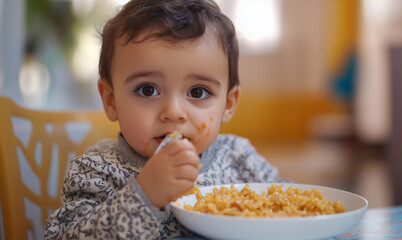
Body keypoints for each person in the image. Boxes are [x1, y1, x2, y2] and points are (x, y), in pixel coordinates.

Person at [45, 0, 285, 239]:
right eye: (147, 90)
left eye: (197, 92)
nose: (173, 112)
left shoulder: (239, 158)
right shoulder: (96, 171)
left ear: (228, 104)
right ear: (111, 100)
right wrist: (144, 194)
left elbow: (289, 206)